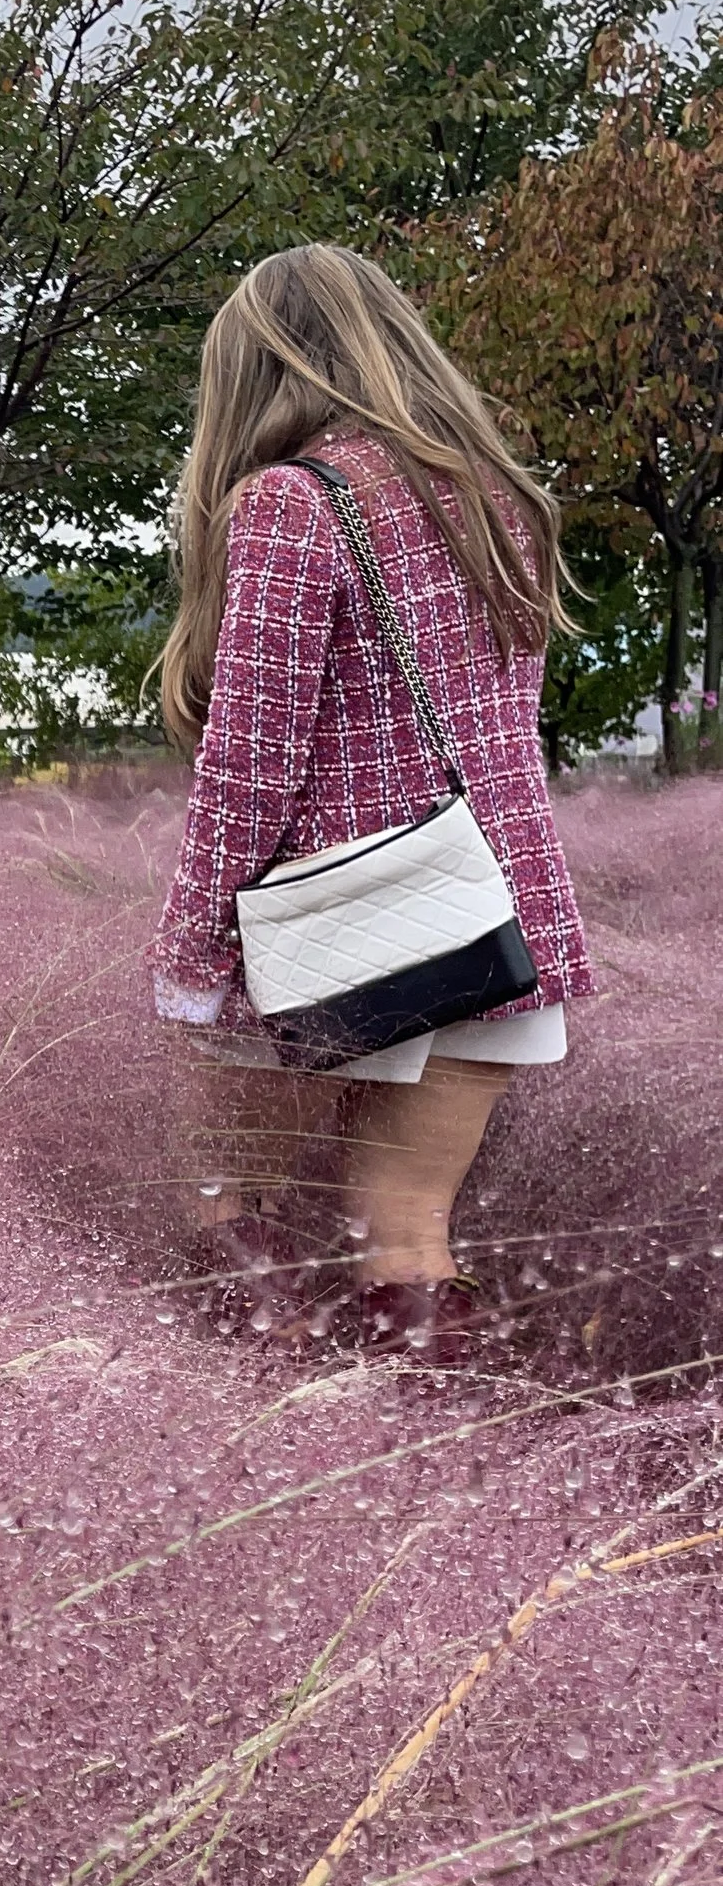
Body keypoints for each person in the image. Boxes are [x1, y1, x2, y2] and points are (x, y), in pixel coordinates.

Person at [150, 244, 593, 1363]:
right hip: (492, 923)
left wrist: (192, 957)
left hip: (331, 930)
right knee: (407, 1233)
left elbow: (250, 766)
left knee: (227, 1205)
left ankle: (271, 1475)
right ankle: (433, 1484)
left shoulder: (291, 503)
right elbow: (503, 734)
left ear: (256, 369)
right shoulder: (502, 501)